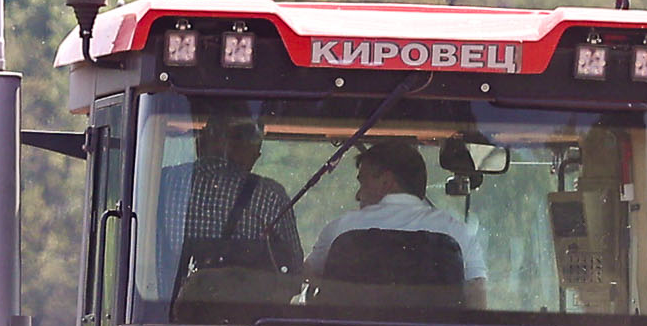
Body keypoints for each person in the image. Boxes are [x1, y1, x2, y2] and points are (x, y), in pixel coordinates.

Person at [162, 102, 298, 290]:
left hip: (163, 307)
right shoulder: (270, 196)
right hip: (245, 309)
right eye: (256, 152)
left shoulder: (161, 183)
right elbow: (293, 275)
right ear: (248, 151)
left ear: (200, 142)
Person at [308, 138, 483, 281]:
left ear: (386, 182)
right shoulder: (458, 234)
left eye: (363, 183)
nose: (358, 195)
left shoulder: (341, 229)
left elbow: (306, 278)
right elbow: (476, 298)